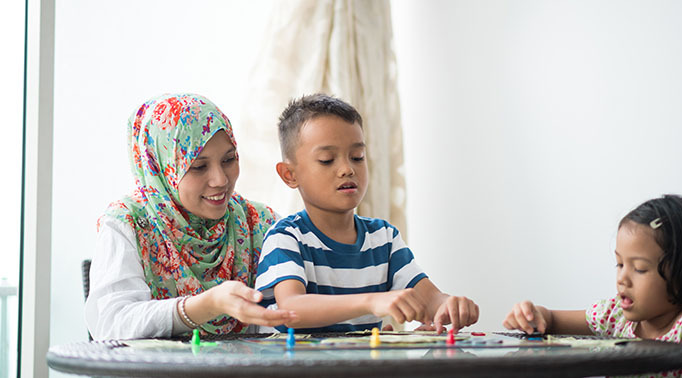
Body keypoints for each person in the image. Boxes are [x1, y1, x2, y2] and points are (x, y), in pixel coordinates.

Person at [254, 93, 479, 333]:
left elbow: (429, 299)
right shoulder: (286, 238)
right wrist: (371, 300)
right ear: (290, 175)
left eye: (357, 157)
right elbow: (292, 311)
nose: (347, 169)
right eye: (327, 160)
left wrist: (449, 305)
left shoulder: (384, 238)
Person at [85, 93, 297, 340]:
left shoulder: (259, 223)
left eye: (229, 160)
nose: (221, 180)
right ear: (161, 167)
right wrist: (205, 306)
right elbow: (110, 323)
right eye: (198, 166)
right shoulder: (129, 223)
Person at [503, 194, 682, 376]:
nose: (621, 279)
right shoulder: (615, 315)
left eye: (640, 269)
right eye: (620, 264)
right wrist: (534, 316)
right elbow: (552, 320)